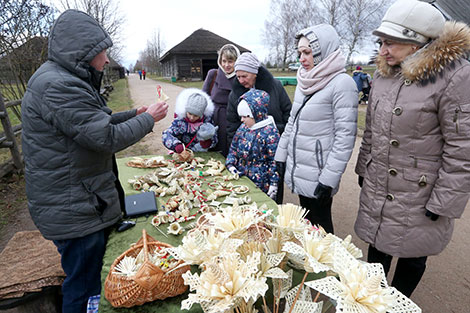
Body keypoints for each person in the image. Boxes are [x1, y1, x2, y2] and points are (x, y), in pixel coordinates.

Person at [21, 10, 168, 313]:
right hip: (74, 210)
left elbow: (92, 122)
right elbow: (105, 138)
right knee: (85, 286)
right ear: (84, 53)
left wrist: (134, 115)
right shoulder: (59, 85)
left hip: (74, 201)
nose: (106, 61)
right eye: (102, 54)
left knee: (86, 278)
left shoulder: (60, 78)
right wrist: (150, 119)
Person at [354, 0, 470, 298]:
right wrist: (363, 166)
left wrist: (444, 202)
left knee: (412, 252)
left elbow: (462, 147)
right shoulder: (383, 73)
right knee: (377, 245)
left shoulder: (456, 76)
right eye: (381, 42)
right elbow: (372, 130)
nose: (382, 50)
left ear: (419, 42)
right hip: (381, 184)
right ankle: (371, 301)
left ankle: (398, 302)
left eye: (391, 43)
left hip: (421, 193)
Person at [274, 24, 358, 234]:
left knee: (321, 227)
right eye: (300, 52)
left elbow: (345, 137)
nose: (301, 58)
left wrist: (329, 178)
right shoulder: (306, 79)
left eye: (307, 52)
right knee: (307, 223)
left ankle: (329, 266)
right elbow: (293, 121)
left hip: (320, 170)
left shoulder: (342, 84)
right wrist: (281, 156)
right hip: (301, 165)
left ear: (323, 52)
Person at [227, 52, 292, 204]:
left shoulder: (274, 86)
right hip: (247, 159)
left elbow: (289, 114)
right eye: (238, 77)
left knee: (273, 197)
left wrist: (279, 134)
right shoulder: (235, 93)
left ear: (255, 73)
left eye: (245, 76)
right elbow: (232, 125)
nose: (241, 80)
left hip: (274, 148)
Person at [226, 89, 280, 199]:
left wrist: (274, 183)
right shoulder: (243, 129)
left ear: (256, 114)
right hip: (241, 180)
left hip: (261, 184)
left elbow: (274, 161)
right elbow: (233, 149)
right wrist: (231, 165)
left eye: (245, 116)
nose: (242, 120)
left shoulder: (270, 133)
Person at [202, 44, 240, 157]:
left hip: (233, 121)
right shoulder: (213, 74)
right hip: (214, 119)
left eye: (230, 61)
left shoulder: (240, 77)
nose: (226, 65)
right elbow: (203, 98)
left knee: (229, 152)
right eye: (224, 61)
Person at [162, 88, 218, 155]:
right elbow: (166, 135)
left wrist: (208, 142)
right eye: (190, 114)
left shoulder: (206, 122)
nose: (192, 118)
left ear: (202, 114)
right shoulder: (180, 121)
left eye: (196, 116)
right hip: (181, 153)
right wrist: (176, 145)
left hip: (200, 154)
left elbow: (214, 137)